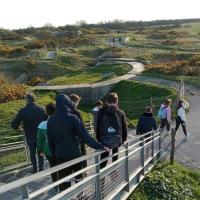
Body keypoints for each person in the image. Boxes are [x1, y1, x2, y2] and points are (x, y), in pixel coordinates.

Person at [47, 94, 108, 192]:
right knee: (78, 179)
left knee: (64, 182)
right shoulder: (73, 118)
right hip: (75, 155)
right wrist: (100, 146)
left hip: (61, 157)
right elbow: (86, 137)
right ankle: (81, 196)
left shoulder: (51, 121)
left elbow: (50, 142)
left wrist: (55, 156)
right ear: (68, 103)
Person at [11, 92, 46, 173]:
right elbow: (47, 121)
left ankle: (35, 169)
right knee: (40, 151)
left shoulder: (23, 111)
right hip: (41, 134)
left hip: (29, 135)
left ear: (27, 100)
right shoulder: (42, 109)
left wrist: (18, 128)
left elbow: (14, 124)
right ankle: (42, 168)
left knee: (32, 152)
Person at [96, 92, 127, 169]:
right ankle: (114, 170)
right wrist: (124, 140)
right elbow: (124, 128)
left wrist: (99, 139)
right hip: (117, 139)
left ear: (106, 101)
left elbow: (97, 127)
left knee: (103, 157)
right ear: (116, 101)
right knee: (115, 152)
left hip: (104, 139)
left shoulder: (100, 112)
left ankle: (101, 175)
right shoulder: (121, 113)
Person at [37, 102, 58, 187]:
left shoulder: (42, 124)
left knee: (53, 167)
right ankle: (62, 185)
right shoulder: (61, 123)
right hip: (60, 150)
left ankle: (55, 186)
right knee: (62, 167)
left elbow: (40, 140)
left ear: (46, 112)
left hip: (48, 151)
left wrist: (39, 150)